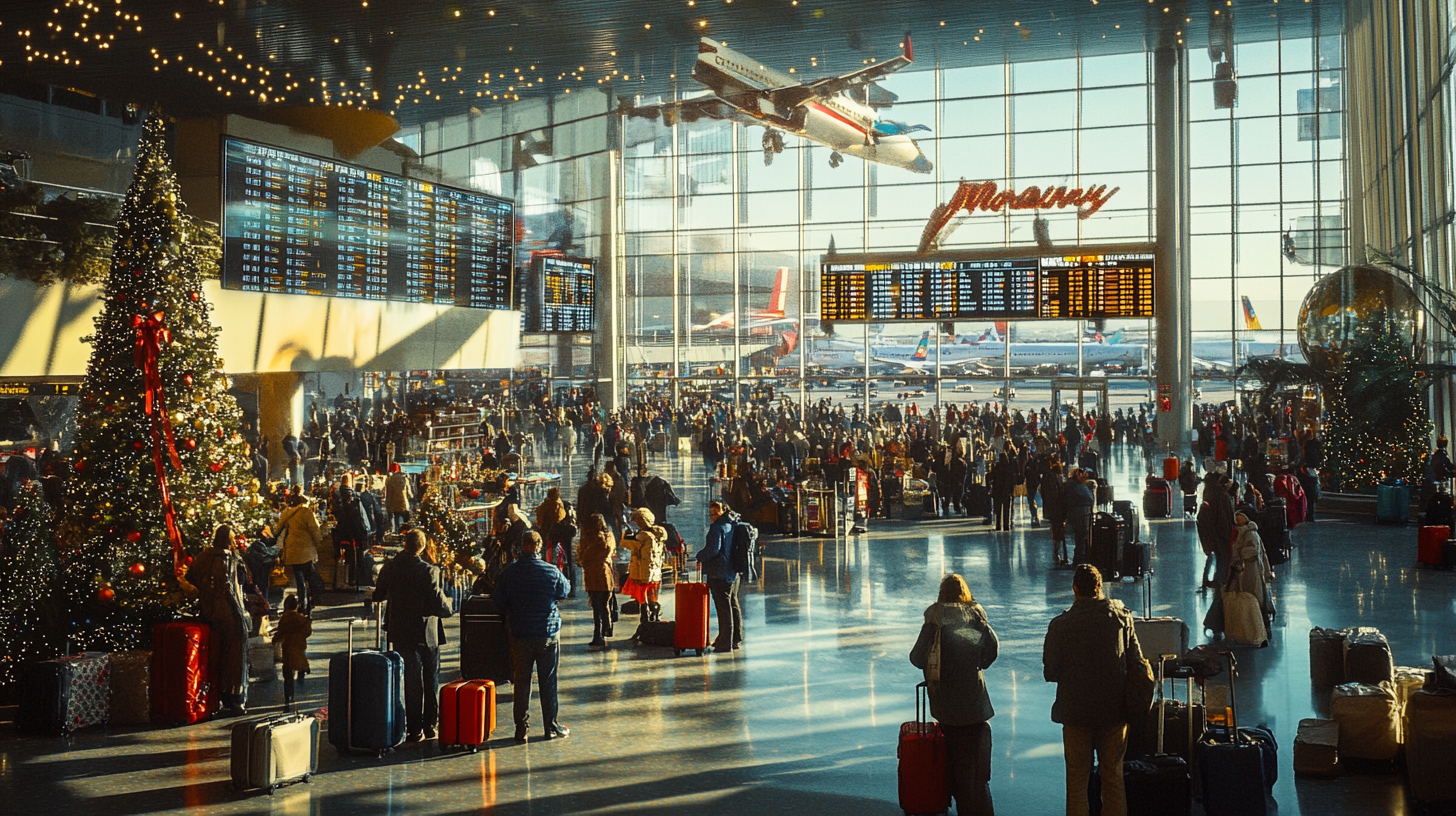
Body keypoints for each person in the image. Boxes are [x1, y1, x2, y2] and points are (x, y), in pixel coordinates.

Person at [1043, 565, 1146, 816]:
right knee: (1113, 777)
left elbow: (1050, 673)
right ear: (1100, 587)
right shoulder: (1122, 618)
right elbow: (1137, 661)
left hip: (1076, 713)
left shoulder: (1060, 625)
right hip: (1114, 711)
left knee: (1077, 781)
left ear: (1075, 588)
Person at [909, 574, 999, 815]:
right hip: (975, 707)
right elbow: (990, 654)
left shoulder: (934, 622)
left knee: (951, 767)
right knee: (977, 775)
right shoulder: (976, 621)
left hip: (945, 708)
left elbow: (917, 658)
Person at [371, 529, 453, 742]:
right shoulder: (429, 571)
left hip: (400, 629)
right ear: (422, 547)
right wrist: (449, 608)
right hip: (427, 631)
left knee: (410, 678)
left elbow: (378, 595)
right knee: (430, 678)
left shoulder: (389, 568)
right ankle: (430, 726)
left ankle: (414, 728)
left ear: (404, 544)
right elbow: (438, 601)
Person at [493, 531, 572, 742]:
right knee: (548, 681)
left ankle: (521, 728)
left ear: (521, 546)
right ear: (538, 547)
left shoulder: (509, 572)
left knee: (521, 681)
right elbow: (564, 591)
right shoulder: (551, 571)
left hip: (520, 633)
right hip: (547, 632)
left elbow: (499, 601)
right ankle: (550, 727)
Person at [187, 526, 250, 715]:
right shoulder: (227, 558)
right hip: (229, 613)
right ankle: (234, 696)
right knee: (234, 654)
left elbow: (191, 577)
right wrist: (239, 613)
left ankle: (215, 695)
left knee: (216, 654)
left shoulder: (204, 557)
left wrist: (206, 593)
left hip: (210, 611)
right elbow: (229, 588)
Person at [695, 500, 743, 652]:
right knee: (733, 605)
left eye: (716, 512)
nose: (713, 516)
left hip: (719, 573)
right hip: (733, 572)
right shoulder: (732, 524)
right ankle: (736, 638)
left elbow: (713, 550)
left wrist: (699, 556)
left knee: (723, 608)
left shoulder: (717, 528)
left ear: (723, 511)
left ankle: (725, 641)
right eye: (711, 513)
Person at [1228, 506, 1275, 639]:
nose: (1238, 519)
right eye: (1236, 517)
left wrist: (1237, 561)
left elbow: (1251, 554)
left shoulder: (1249, 534)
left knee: (1255, 599)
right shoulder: (1243, 532)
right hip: (1247, 572)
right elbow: (1263, 554)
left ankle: (1259, 627)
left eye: (1240, 516)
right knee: (1255, 598)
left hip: (1250, 572)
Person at [278, 487, 325, 613]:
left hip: (293, 549)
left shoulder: (287, 512)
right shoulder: (306, 512)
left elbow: (279, 528)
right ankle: (309, 603)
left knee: (299, 578)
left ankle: (303, 603)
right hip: (306, 550)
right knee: (309, 576)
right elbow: (314, 529)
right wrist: (318, 541)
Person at [621, 507, 667, 634]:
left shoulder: (643, 536)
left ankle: (645, 624)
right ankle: (655, 618)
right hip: (654, 574)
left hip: (642, 573)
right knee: (653, 598)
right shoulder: (658, 535)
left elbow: (625, 544)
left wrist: (624, 534)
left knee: (643, 599)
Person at [576, 512, 617, 651]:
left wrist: (583, 561)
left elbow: (580, 554)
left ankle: (597, 634)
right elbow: (609, 552)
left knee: (595, 606)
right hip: (605, 574)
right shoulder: (609, 536)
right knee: (604, 603)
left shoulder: (587, 537)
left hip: (592, 574)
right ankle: (607, 629)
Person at [275, 593, 312, 710]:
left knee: (288, 674)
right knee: (300, 660)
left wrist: (274, 639)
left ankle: (289, 696)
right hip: (300, 646)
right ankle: (304, 670)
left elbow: (281, 633)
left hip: (288, 649)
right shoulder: (302, 619)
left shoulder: (284, 619)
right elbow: (308, 632)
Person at [1065, 469, 1095, 565]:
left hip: (1080, 515)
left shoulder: (1075, 486)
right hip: (1080, 515)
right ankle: (1079, 558)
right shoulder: (1076, 487)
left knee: (1080, 538)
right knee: (1081, 537)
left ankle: (1079, 557)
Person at [385, 463, 413, 531]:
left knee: (396, 521)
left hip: (394, 505)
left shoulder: (389, 480)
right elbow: (409, 493)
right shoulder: (404, 479)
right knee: (406, 522)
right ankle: (407, 534)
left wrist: (388, 506)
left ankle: (398, 534)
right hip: (404, 504)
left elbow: (388, 494)